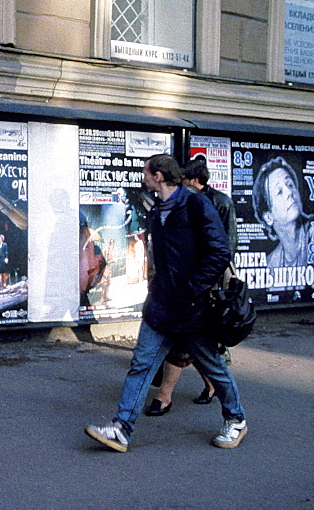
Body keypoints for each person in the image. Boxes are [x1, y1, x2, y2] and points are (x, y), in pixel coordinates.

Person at [85, 154, 246, 452]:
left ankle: (236, 419)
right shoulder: (156, 208)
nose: (142, 177)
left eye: (146, 172)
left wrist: (191, 289)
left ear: (158, 175)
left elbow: (221, 251)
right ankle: (121, 429)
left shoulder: (196, 204)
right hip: (161, 305)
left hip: (191, 308)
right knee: (141, 364)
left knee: (212, 365)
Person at [145, 157, 237, 415]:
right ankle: (209, 391)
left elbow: (224, 248)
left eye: (184, 181)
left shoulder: (209, 202)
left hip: (205, 287)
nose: (180, 185)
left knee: (200, 349)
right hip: (185, 287)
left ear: (194, 181)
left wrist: (198, 285)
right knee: (195, 347)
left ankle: (167, 396)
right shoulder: (181, 202)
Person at [252, 156, 314, 269]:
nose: (289, 192)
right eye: (279, 192)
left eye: (290, 185)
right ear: (268, 217)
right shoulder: (271, 264)